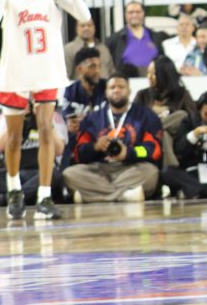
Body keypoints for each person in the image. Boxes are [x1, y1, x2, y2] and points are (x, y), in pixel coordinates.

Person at [0, 0, 91, 219]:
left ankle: (44, 197)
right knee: (14, 137)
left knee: (46, 130)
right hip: (16, 71)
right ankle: (14, 189)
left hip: (46, 70)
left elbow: (83, 15)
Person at [63, 73, 162, 203]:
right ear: (106, 92)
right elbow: (78, 153)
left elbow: (153, 150)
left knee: (151, 172)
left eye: (121, 87)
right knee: (69, 174)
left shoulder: (145, 116)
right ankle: (125, 195)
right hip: (99, 169)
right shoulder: (92, 118)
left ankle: (92, 196)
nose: (116, 90)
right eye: (112, 87)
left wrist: (128, 153)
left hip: (131, 168)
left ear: (129, 90)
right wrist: (95, 147)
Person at [0, 105, 67, 208]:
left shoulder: (53, 117)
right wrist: (16, 121)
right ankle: (26, 195)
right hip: (12, 173)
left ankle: (7, 199)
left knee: (54, 174)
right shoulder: (3, 118)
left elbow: (59, 150)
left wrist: (44, 122)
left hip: (39, 173)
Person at [133, 55, 196, 168]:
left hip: (176, 139)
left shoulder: (182, 94)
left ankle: (169, 169)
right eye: (148, 73)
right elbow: (133, 121)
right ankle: (172, 169)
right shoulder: (142, 95)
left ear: (165, 74)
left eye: (153, 74)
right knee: (164, 133)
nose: (149, 77)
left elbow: (193, 119)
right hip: (148, 140)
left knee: (182, 115)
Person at [59, 47, 107, 167]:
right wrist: (70, 125)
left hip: (102, 138)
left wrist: (85, 121)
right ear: (80, 69)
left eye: (99, 66)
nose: (97, 71)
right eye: (92, 67)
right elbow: (69, 121)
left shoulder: (107, 87)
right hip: (78, 141)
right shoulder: (70, 91)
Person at [105, 1, 166, 77]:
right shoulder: (115, 39)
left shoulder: (154, 36)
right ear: (125, 15)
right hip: (126, 81)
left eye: (138, 12)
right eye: (131, 12)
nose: (134, 15)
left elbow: (163, 60)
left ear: (143, 14)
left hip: (153, 80)